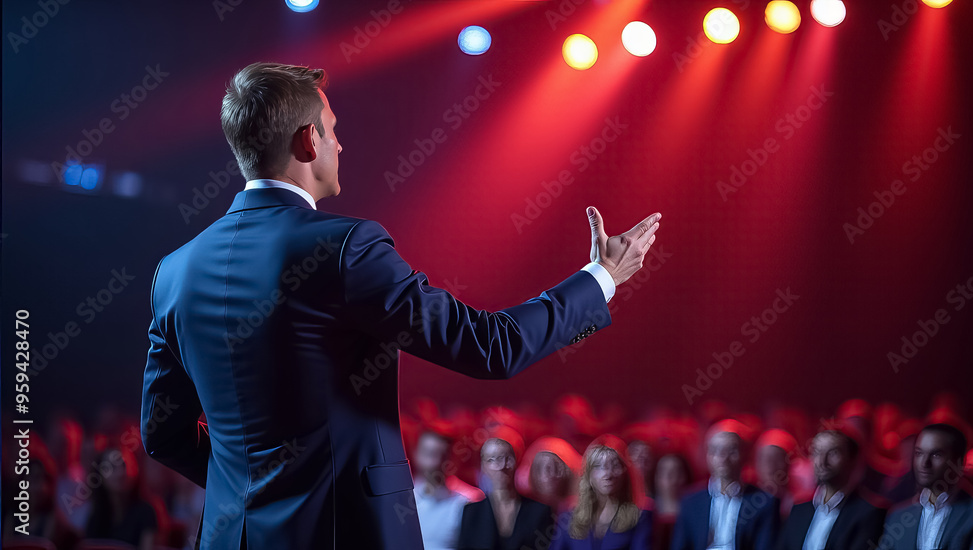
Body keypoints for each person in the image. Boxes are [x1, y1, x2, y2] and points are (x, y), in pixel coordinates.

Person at [139, 62, 661, 549]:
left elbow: (162, 434)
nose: (340, 145)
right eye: (333, 129)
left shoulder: (173, 271)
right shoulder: (345, 247)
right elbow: (488, 348)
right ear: (307, 140)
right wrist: (602, 278)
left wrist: (246, 483)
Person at [878, 423, 973, 550]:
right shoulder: (898, 516)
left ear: (959, 461)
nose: (924, 463)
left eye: (936, 455)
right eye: (919, 453)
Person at [670, 420, 780, 550]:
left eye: (731, 451)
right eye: (716, 450)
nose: (723, 457)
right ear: (707, 456)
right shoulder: (691, 502)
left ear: (744, 455)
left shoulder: (763, 502)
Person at [776, 429, 886, 550]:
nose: (822, 461)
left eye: (833, 453)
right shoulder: (798, 510)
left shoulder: (869, 513)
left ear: (852, 460)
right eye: (816, 452)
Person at [551, 434, 653, 549]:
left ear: (625, 473)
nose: (608, 474)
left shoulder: (640, 516)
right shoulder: (568, 516)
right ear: (588, 475)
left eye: (615, 465)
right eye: (599, 466)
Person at [457, 436, 553, 550]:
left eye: (507, 458)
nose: (501, 466)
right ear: (483, 467)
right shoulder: (471, 513)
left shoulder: (539, 512)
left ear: (516, 461)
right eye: (492, 460)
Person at [413, 429, 481, 550]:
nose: (435, 462)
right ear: (415, 454)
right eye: (429, 454)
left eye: (443, 455)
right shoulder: (404, 497)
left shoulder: (468, 499)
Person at [653, 452, 691, 549]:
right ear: (656, 477)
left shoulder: (694, 510)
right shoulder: (648, 510)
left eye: (676, 472)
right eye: (664, 472)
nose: (670, 477)